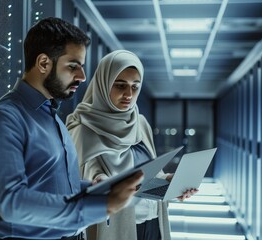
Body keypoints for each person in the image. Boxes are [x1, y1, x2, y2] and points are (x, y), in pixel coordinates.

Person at [0, 18, 144, 240]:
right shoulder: (4, 118)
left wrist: (93, 189)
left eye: (82, 67)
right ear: (44, 63)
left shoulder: (51, 116)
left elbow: (52, 185)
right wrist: (102, 204)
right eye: (73, 66)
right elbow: (12, 203)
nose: (82, 77)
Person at [66, 50, 197, 240]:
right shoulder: (82, 127)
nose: (129, 94)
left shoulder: (140, 122)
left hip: (153, 222)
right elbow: (84, 177)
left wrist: (170, 181)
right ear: (103, 84)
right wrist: (101, 182)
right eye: (120, 85)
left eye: (135, 86)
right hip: (117, 227)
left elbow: (149, 173)